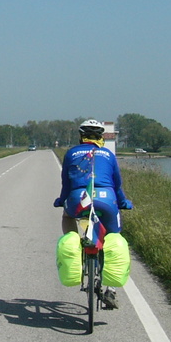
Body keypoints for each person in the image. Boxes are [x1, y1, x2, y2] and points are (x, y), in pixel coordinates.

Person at [54, 119, 133, 308]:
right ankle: (111, 290)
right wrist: (123, 202)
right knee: (113, 235)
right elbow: (117, 185)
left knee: (67, 216)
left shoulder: (72, 152)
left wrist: (61, 200)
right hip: (106, 199)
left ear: (81, 136)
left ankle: (74, 245)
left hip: (78, 198)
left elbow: (67, 183)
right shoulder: (108, 154)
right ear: (101, 137)